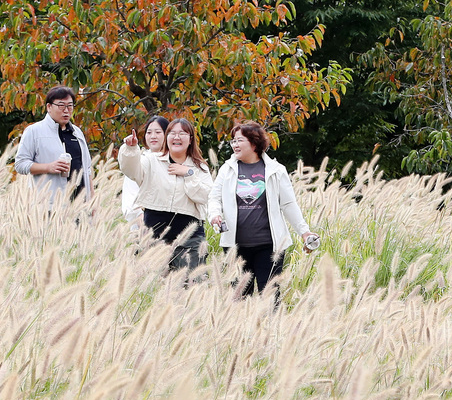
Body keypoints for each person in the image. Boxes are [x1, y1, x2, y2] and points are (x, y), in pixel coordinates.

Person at [207, 120, 320, 296]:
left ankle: (272, 325)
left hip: (269, 247)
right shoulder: (226, 169)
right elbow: (214, 198)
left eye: (239, 140)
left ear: (254, 143)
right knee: (239, 300)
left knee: (269, 298)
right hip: (235, 247)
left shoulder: (276, 170)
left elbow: (289, 204)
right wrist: (214, 215)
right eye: (233, 141)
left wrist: (304, 232)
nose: (234, 145)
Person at [119, 117, 212, 271]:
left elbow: (204, 196)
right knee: (155, 288)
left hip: (190, 239)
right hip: (154, 236)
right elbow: (131, 170)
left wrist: (188, 174)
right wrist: (131, 150)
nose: (176, 137)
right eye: (172, 133)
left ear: (190, 139)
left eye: (182, 133)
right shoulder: (151, 161)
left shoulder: (199, 167)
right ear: (166, 138)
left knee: (190, 286)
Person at [13, 86, 94, 205]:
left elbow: (87, 170)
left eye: (70, 106)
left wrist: (92, 204)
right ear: (49, 107)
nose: (66, 110)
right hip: (50, 206)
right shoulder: (34, 131)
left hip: (80, 206)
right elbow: (20, 164)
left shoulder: (77, 133)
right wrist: (48, 167)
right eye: (61, 106)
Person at [121, 115, 169, 222]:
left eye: (158, 132)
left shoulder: (176, 162)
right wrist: (143, 222)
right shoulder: (138, 163)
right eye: (149, 132)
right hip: (143, 229)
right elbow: (130, 200)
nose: (153, 136)